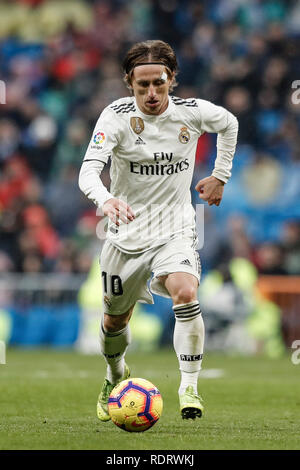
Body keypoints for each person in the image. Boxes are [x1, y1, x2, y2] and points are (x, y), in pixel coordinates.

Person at [78, 40, 238, 420]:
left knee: (185, 291)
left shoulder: (192, 113)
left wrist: (220, 175)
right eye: (142, 86)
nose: (152, 94)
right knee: (114, 321)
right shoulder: (114, 117)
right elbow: (87, 171)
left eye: (159, 84)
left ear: (172, 80)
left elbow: (229, 123)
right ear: (129, 83)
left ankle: (189, 389)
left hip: (176, 227)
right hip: (125, 233)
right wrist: (106, 200)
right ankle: (115, 375)